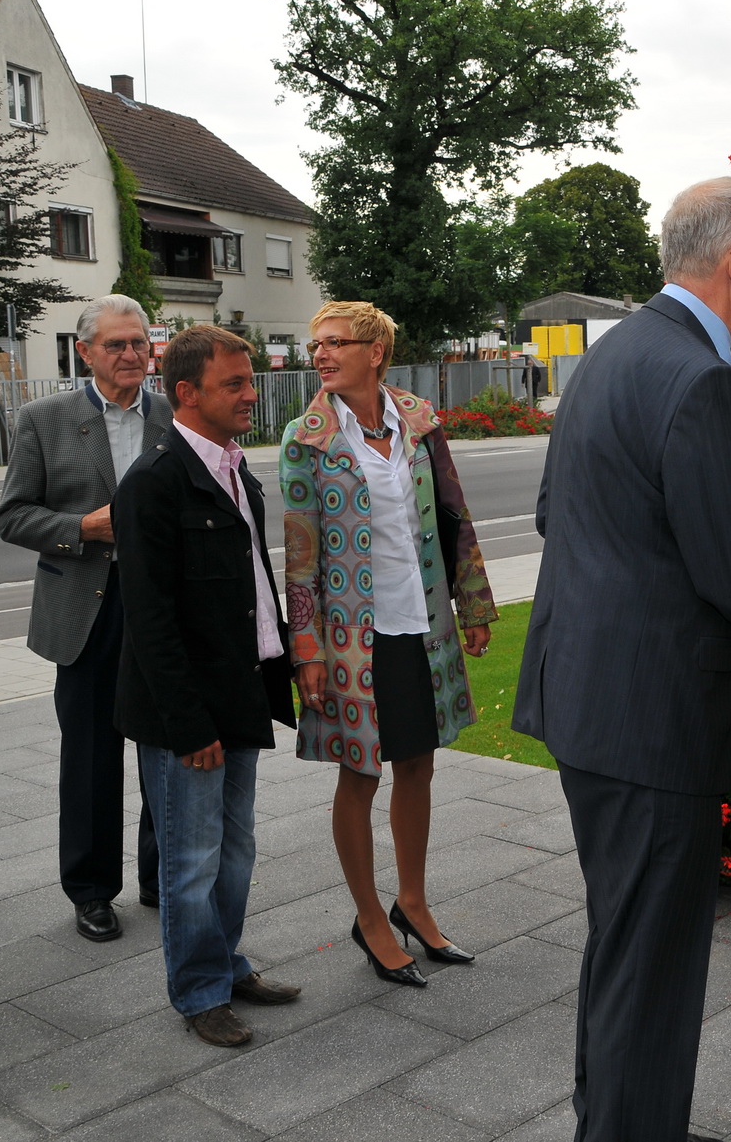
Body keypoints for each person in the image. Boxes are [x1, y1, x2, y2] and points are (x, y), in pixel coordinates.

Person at [513, 177, 731, 1142]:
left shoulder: (615, 354)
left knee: (626, 941)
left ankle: (617, 1116)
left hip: (591, 700)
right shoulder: (697, 377)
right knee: (651, 955)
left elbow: (551, 517)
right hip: (655, 718)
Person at [281, 301, 497, 988]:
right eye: (315, 344)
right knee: (359, 772)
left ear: (374, 352)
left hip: (420, 621)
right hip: (350, 639)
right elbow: (299, 555)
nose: (319, 354)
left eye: (334, 342)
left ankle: (412, 901)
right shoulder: (304, 438)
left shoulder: (419, 420)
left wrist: (472, 602)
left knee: (417, 764)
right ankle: (369, 915)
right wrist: (306, 648)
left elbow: (454, 513)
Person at [113, 324, 300, 1047]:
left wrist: (282, 670)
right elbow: (150, 621)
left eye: (250, 381)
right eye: (235, 384)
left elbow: (253, 588)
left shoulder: (234, 467)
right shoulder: (154, 482)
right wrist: (188, 725)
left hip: (240, 690)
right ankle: (198, 991)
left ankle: (225, 963)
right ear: (186, 392)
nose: (251, 395)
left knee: (235, 851)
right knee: (190, 862)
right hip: (183, 712)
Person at [0, 294, 170, 942]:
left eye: (139, 342)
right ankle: (92, 890)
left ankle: (162, 876)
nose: (130, 354)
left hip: (159, 607)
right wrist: (83, 527)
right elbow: (13, 516)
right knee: (92, 756)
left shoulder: (173, 413)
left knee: (167, 745)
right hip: (87, 610)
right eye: (116, 344)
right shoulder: (46, 419)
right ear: (86, 351)